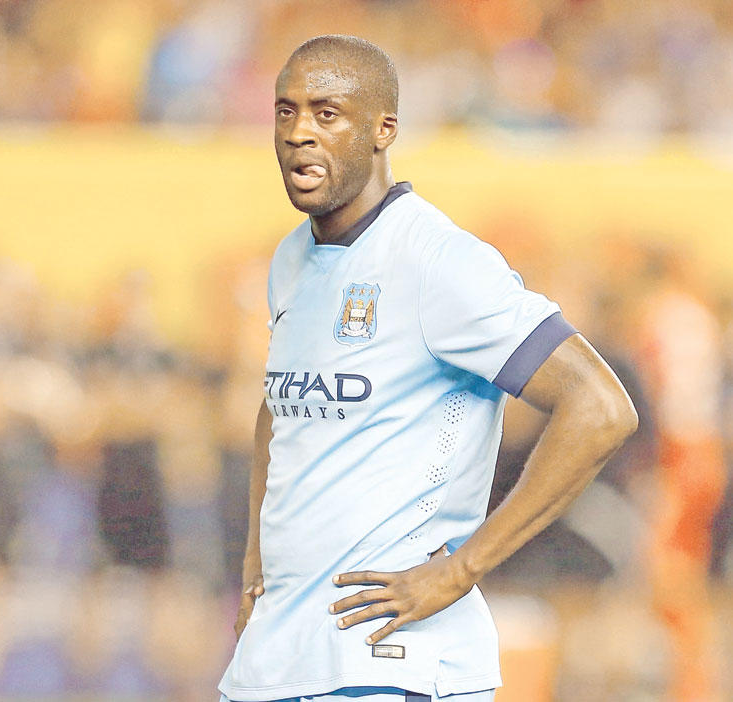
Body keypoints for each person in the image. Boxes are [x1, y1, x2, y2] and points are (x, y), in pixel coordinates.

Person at [218, 35, 637, 702]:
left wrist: (460, 571)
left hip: (393, 662)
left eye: (327, 113)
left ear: (383, 130)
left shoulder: (440, 262)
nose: (299, 133)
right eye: (286, 112)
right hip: (277, 660)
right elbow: (282, 406)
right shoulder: (291, 259)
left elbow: (601, 408)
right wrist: (255, 562)